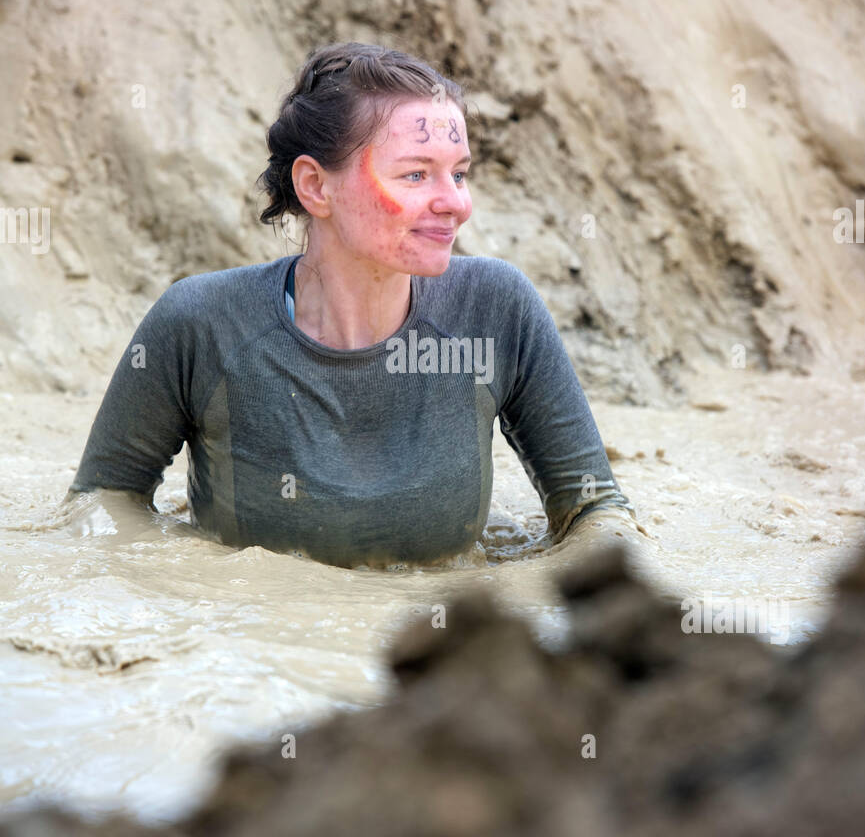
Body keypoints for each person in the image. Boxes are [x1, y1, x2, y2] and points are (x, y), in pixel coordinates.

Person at [66, 41, 637, 568]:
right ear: (316, 187)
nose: (455, 204)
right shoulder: (200, 320)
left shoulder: (496, 307)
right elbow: (100, 503)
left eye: (459, 174)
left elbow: (594, 512)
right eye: (416, 174)